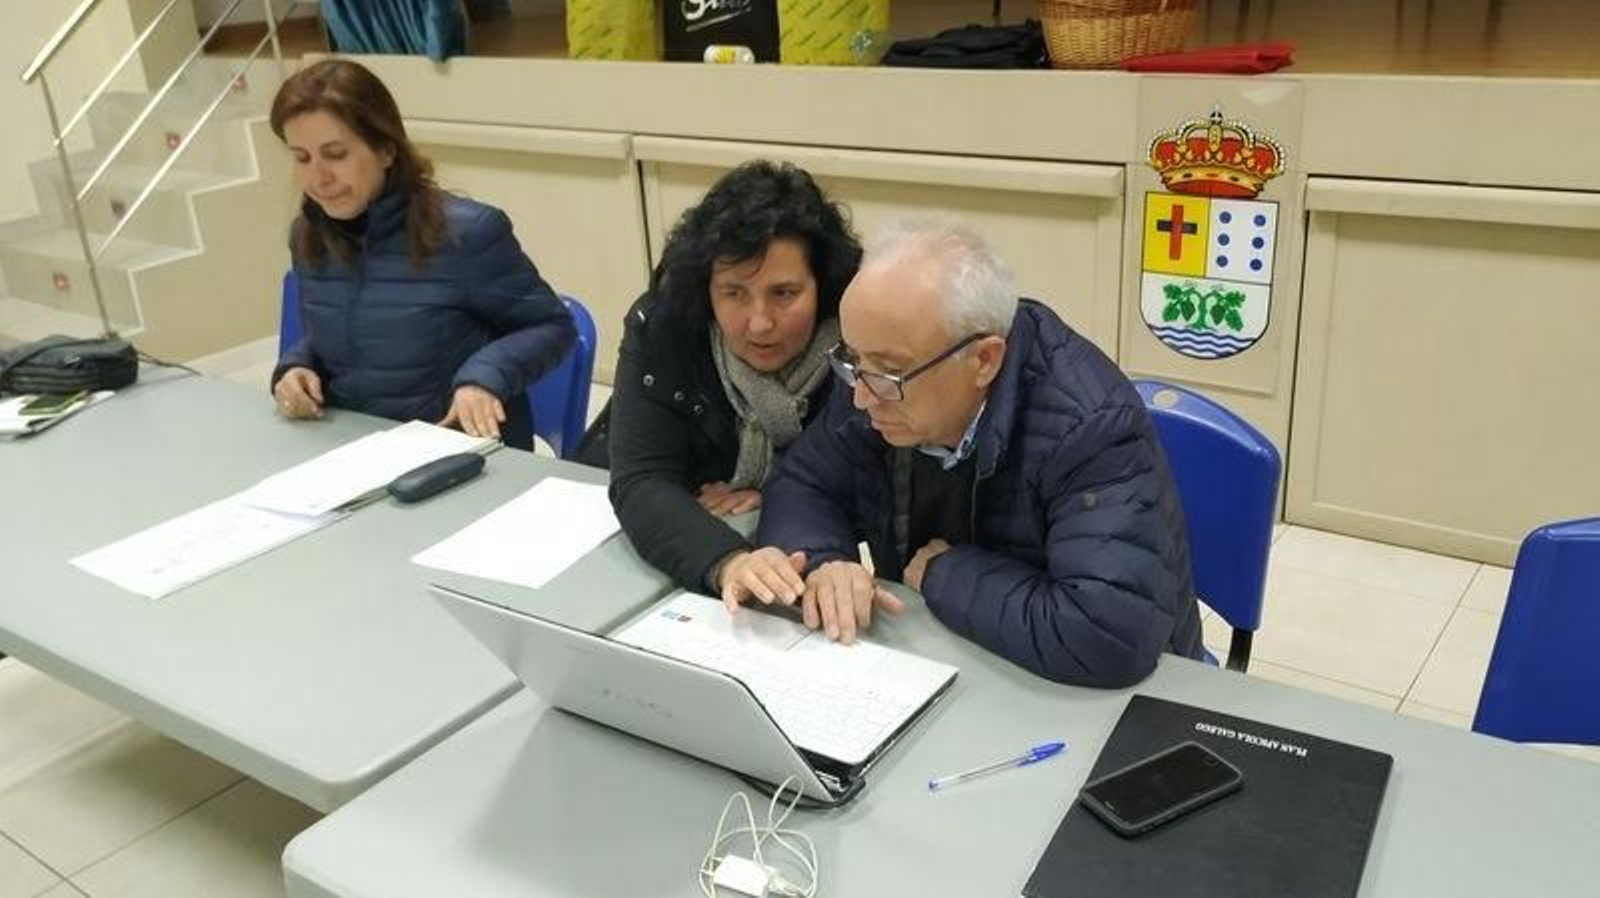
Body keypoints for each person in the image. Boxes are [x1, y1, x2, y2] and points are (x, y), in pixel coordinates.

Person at [730, 219, 1204, 688]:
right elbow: (805, 481)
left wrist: (945, 574)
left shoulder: (1091, 426)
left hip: (1096, 694)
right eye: (852, 359)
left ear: (984, 360)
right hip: (947, 653)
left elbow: (1109, 636)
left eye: (888, 372)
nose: (860, 397)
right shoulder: (877, 374)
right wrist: (824, 562)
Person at [268, 59, 574, 450]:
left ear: (386, 150)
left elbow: (551, 327)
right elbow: (348, 327)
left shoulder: (469, 233)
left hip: (457, 452)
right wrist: (298, 366)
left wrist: (484, 377)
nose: (319, 177)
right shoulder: (309, 235)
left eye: (336, 154)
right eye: (302, 158)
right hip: (353, 451)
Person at [606, 160, 862, 595]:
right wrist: (727, 561)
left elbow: (874, 490)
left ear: (823, 286)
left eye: (784, 293)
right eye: (734, 294)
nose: (759, 323)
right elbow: (640, 478)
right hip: (682, 559)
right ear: (706, 289)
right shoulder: (664, 326)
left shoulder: (862, 341)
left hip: (807, 558)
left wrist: (776, 491)